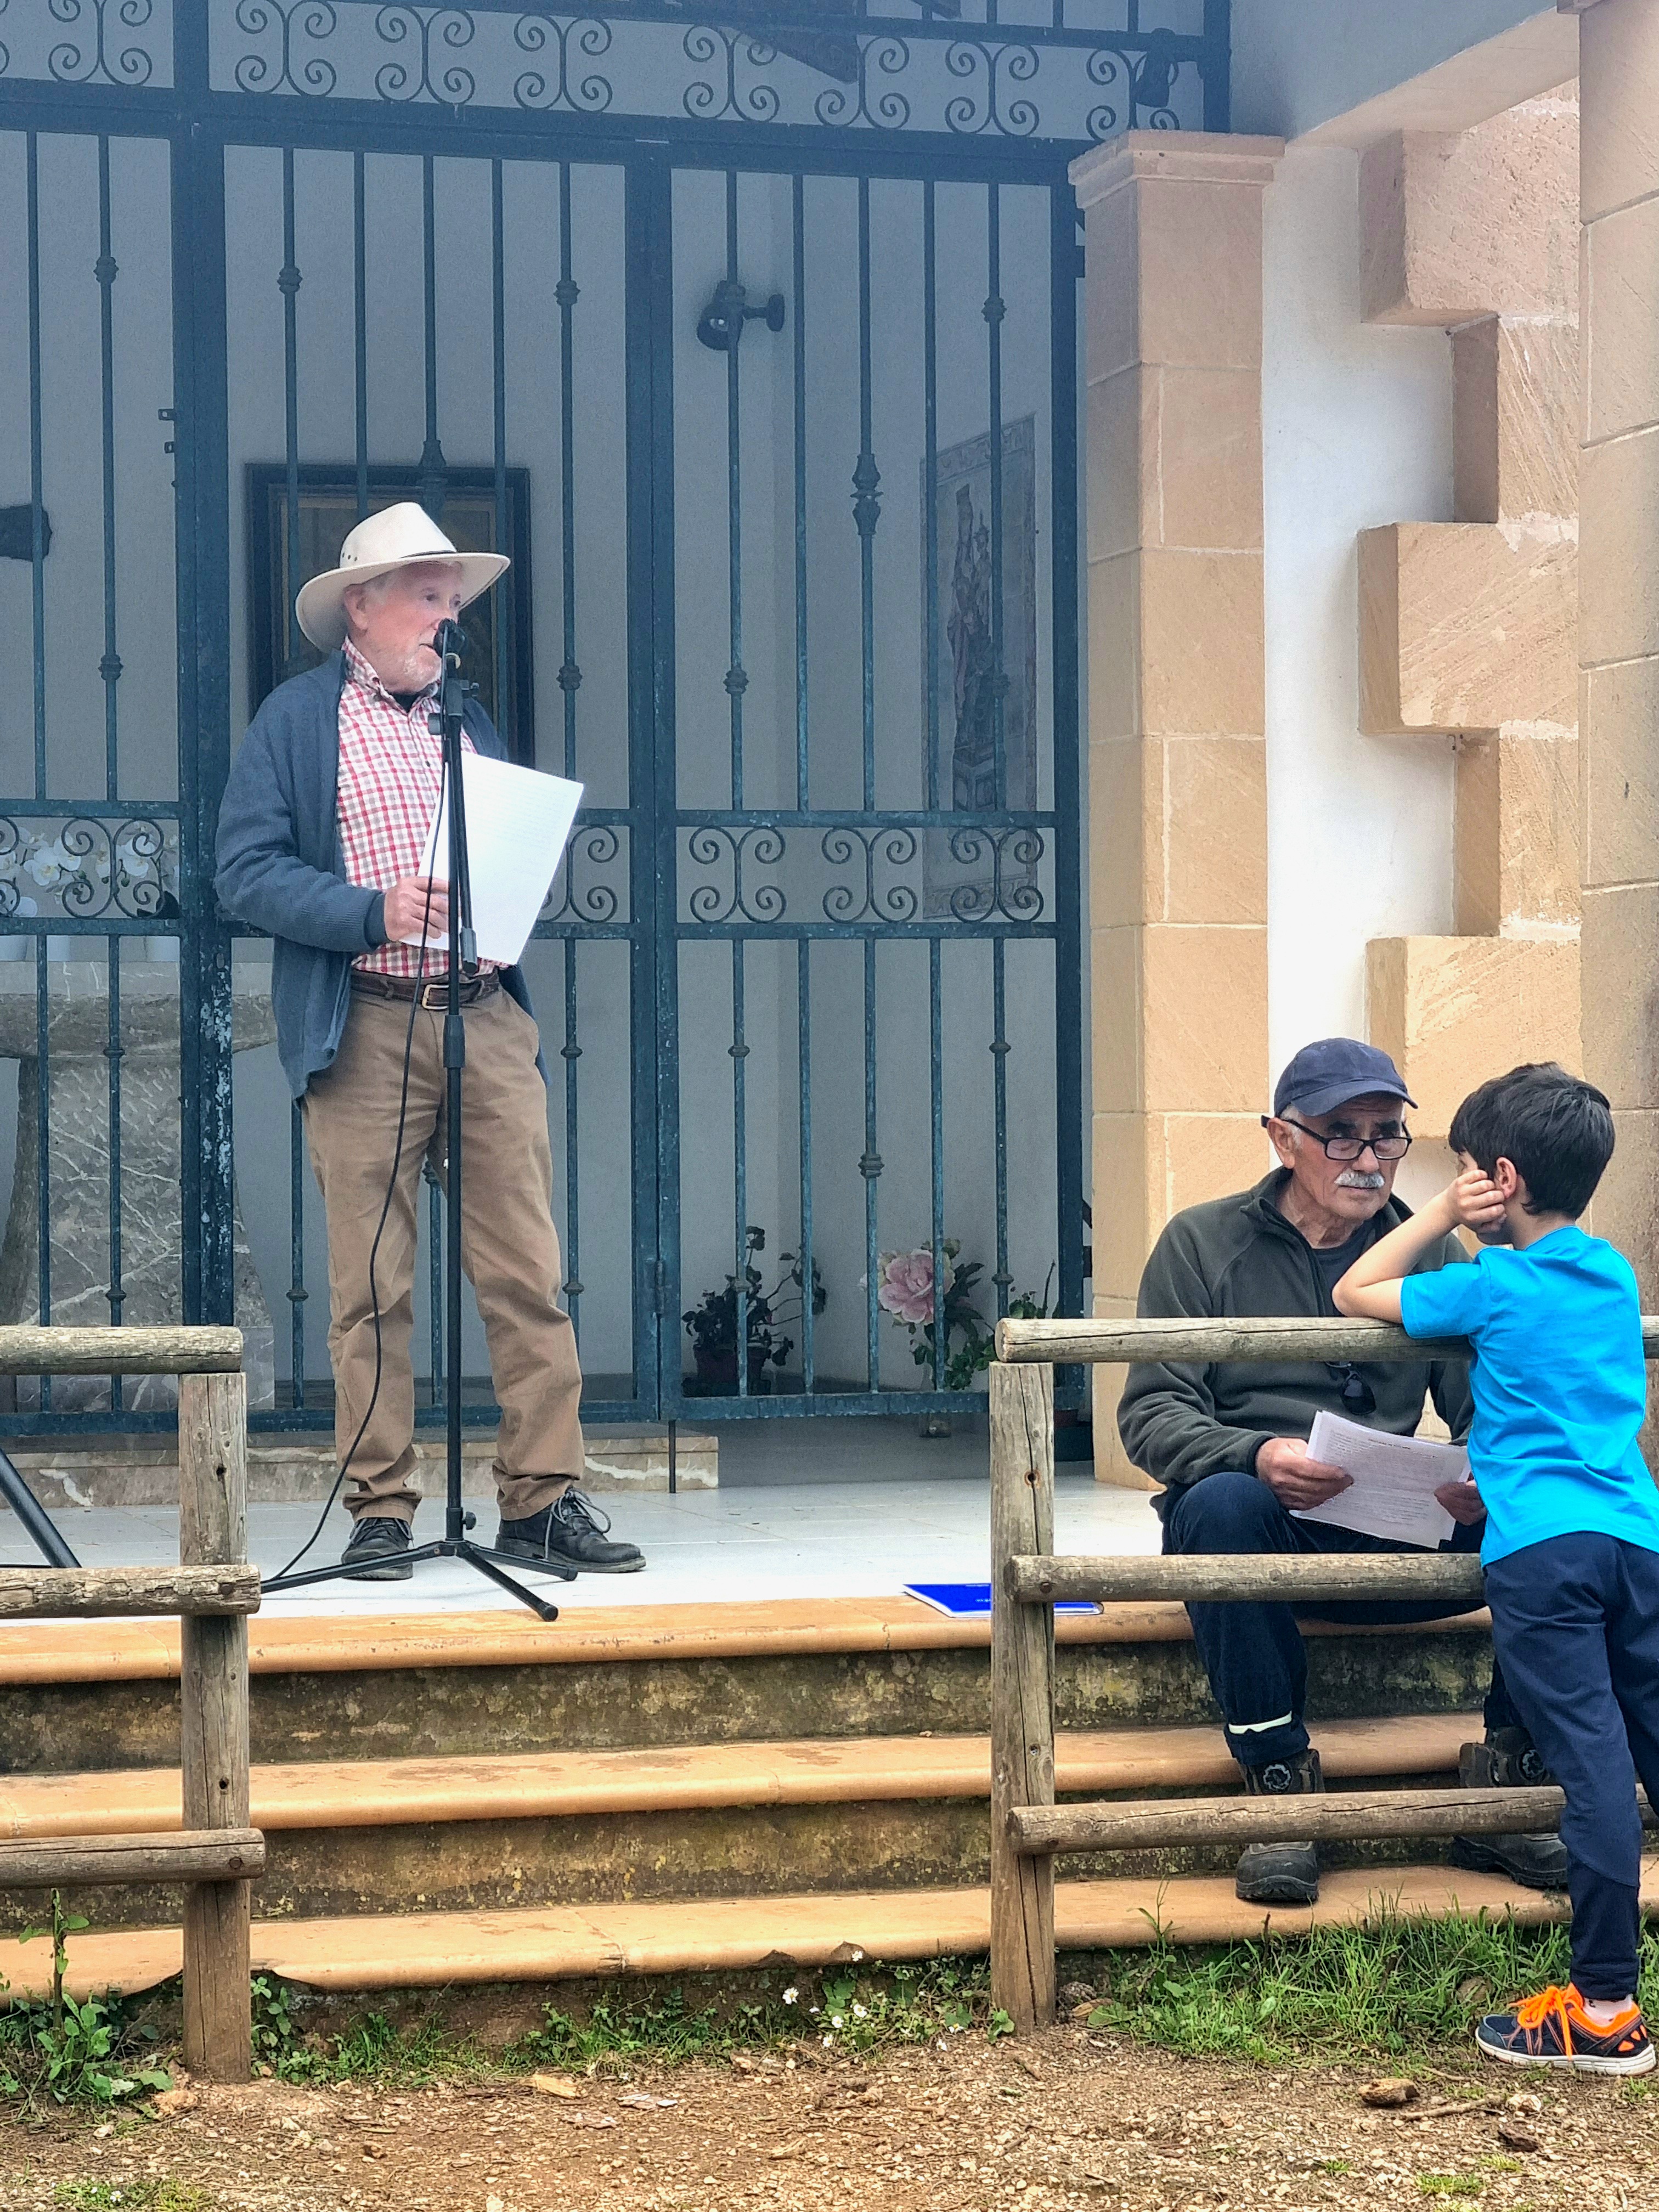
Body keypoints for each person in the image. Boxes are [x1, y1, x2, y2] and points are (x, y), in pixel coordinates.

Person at [215, 503, 642, 1582]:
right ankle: (381, 1509)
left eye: (453, 601)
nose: (448, 619)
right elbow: (245, 872)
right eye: (427, 598)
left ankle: (541, 1501)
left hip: (483, 1015)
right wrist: (374, 910)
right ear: (361, 606)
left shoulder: (468, 720)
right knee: (372, 1288)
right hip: (365, 1019)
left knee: (528, 1271)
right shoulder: (297, 720)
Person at [1118, 1037, 1565, 1905]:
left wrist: (1482, 1466)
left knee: (1550, 1502)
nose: (1368, 1159)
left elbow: (1492, 1400)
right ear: (1282, 1138)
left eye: (1386, 1134)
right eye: (1342, 1135)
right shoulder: (1199, 1243)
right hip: (1263, 1526)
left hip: (1400, 1524)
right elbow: (1151, 1413)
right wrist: (1256, 1454)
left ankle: (1510, 1780)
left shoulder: (1429, 1250)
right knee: (1218, 1506)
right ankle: (1281, 1787)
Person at [1335, 1063, 1659, 2074]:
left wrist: (1438, 1214)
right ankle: (1606, 1998)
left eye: (1467, 1170)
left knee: (1594, 1773)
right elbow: (1564, 1396)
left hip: (1544, 1560)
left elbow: (1353, 1291)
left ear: (1500, 1179)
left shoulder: (1490, 1284)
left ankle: (1603, 2008)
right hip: (1635, 1538)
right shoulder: (1613, 1273)